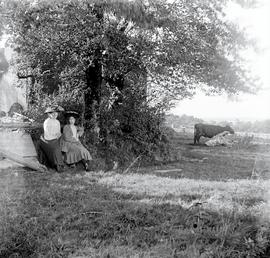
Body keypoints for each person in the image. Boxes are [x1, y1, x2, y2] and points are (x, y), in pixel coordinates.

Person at [40, 106, 65, 172]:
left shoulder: (57, 122)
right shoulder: (47, 122)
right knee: (55, 147)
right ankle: (57, 165)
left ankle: (61, 163)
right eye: (52, 114)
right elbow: (48, 134)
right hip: (48, 140)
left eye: (56, 113)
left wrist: (58, 135)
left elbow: (58, 132)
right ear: (49, 114)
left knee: (61, 143)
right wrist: (55, 136)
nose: (55, 115)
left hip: (56, 138)